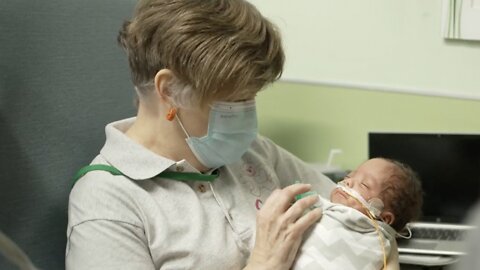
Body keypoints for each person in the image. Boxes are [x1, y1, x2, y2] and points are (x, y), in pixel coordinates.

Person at [65, 1, 336, 269]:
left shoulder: (254, 153)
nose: (248, 115)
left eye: (251, 97)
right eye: (234, 101)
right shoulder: (108, 202)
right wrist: (264, 264)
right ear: (169, 89)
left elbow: (349, 208)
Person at [292, 158, 423, 270]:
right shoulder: (388, 247)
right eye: (349, 176)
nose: (348, 182)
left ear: (384, 217)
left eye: (364, 184)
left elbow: (308, 201)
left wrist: (299, 195)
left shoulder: (376, 239)